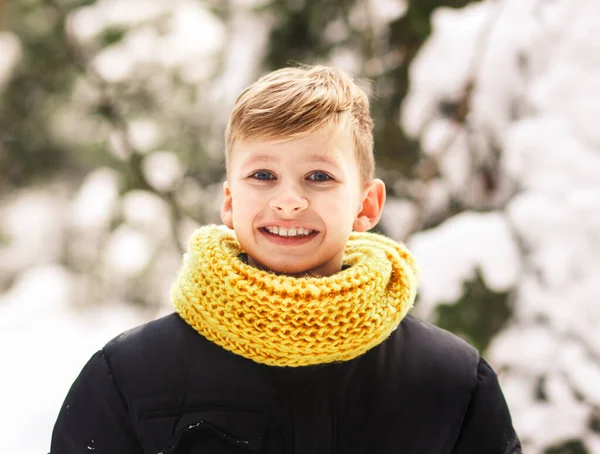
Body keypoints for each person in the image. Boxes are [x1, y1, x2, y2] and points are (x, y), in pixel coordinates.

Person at [50, 65, 522, 454]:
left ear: (368, 205)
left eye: (318, 175)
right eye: (263, 174)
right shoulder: (129, 376)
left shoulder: (452, 381)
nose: (289, 200)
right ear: (230, 202)